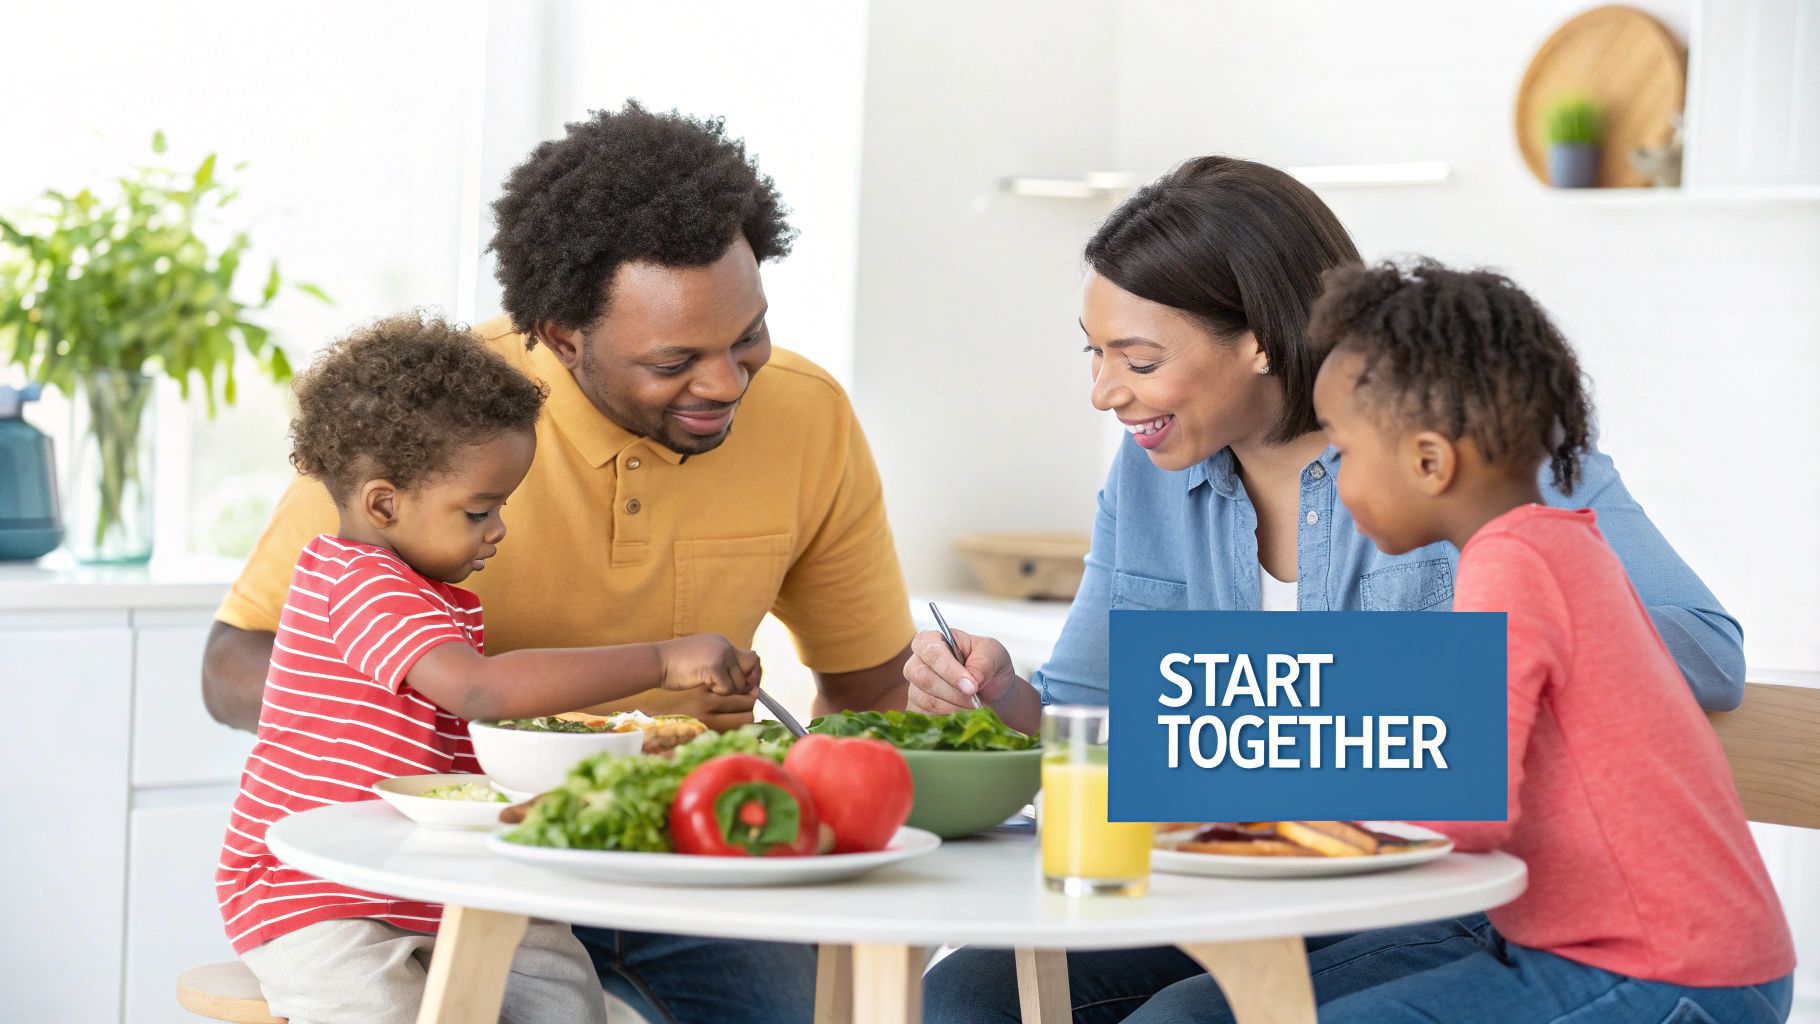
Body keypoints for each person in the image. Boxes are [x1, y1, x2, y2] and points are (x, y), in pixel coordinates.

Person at [912, 157, 1749, 1023]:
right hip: (1253, 878)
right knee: (968, 995)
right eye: (1095, 353)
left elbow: (1707, 652)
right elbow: (1090, 725)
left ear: (1261, 339)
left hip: (1450, 902)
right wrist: (1001, 694)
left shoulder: (1473, 458)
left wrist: (1316, 691)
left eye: (1139, 357)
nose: (1104, 392)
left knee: (1187, 1020)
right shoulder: (1151, 472)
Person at [205, 102, 913, 1023]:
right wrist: (430, 702)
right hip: (463, 860)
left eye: (747, 337)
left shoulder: (809, 417)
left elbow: (868, 689)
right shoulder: (437, 427)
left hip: (690, 860)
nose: (728, 382)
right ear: (563, 335)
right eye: (676, 360)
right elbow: (232, 668)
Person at [1272, 259, 1789, 1022]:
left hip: (1667, 973)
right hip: (1641, 956)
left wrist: (1283, 805)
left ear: (1428, 460)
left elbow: (1465, 811)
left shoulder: (1513, 565)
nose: (1334, 482)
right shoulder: (1554, 547)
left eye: (1342, 452)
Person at [220, 315, 763, 1024]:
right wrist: (663, 658)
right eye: (480, 510)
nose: (498, 529)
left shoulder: (429, 596)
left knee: (561, 988)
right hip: (316, 889)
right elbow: (478, 689)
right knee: (377, 1008)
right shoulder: (355, 583)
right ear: (384, 503)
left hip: (434, 874)